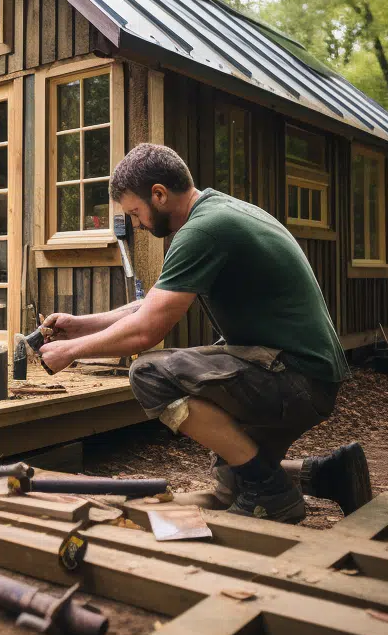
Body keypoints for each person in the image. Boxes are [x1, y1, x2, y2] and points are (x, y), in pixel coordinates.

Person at [40, 143, 370, 523]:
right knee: (231, 487)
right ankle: (328, 473)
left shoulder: (203, 231)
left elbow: (147, 330)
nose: (139, 225)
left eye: (136, 212)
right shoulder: (217, 212)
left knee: (149, 375)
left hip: (296, 379)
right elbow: (151, 306)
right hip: (302, 374)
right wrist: (81, 325)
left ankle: (273, 492)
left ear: (159, 195)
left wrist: (72, 351)